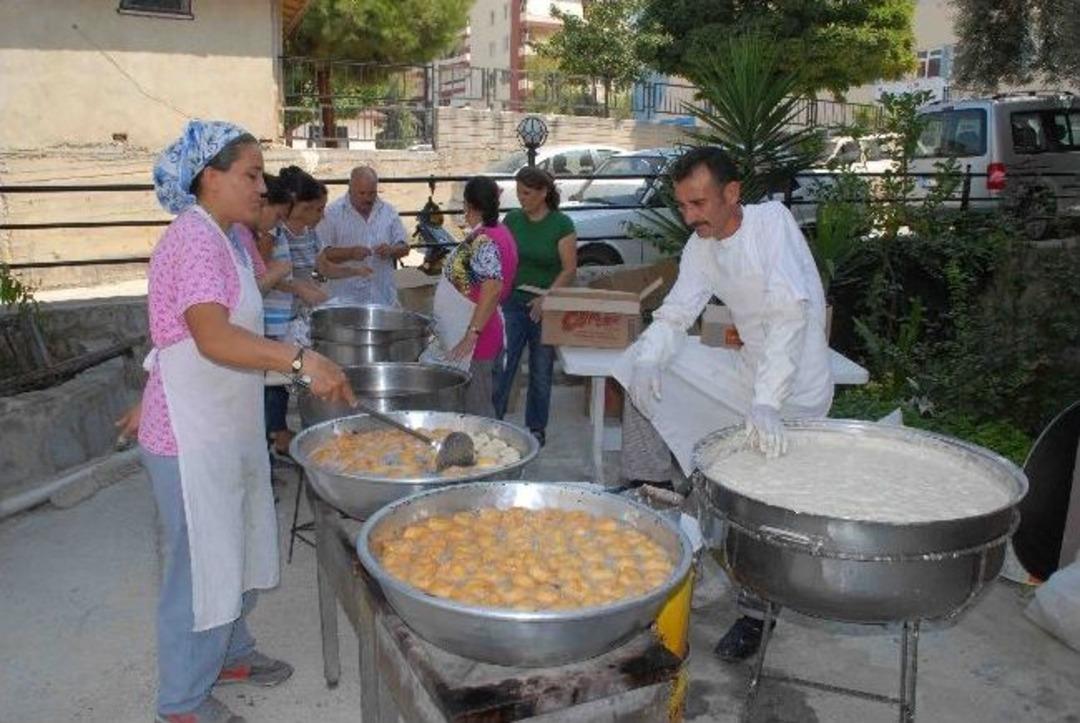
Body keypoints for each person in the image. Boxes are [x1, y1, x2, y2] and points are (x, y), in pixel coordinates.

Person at [141, 120, 353, 723]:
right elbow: (210, 336)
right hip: (188, 435)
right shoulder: (192, 240)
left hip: (223, 421)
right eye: (252, 174)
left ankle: (229, 651)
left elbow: (190, 333)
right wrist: (300, 361)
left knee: (232, 540)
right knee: (200, 561)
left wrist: (295, 370)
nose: (263, 188)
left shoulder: (229, 236)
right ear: (210, 177)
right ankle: (182, 700)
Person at [613, 146, 832, 662]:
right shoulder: (702, 246)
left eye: (699, 203)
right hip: (748, 378)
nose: (690, 217)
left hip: (794, 395)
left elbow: (788, 316)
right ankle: (652, 487)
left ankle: (757, 616)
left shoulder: (770, 224)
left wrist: (768, 404)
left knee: (758, 505)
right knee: (636, 362)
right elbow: (675, 314)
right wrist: (650, 359)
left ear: (732, 194)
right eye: (683, 206)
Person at [492, 167, 577, 447]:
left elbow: (569, 269)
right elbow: (501, 257)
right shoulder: (512, 220)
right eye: (518, 193)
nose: (521, 198)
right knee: (504, 365)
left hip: (546, 304)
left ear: (543, 193)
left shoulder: (562, 224)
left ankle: (536, 428)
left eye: (527, 193)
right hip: (512, 303)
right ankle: (494, 420)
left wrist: (547, 298)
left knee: (541, 369)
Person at [259, 167, 332, 458]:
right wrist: (297, 287)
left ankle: (275, 434)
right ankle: (274, 436)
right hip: (271, 320)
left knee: (277, 381)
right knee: (273, 383)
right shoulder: (267, 234)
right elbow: (260, 281)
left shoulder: (276, 230)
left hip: (283, 317)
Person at [439, 176, 519, 416]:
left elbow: (492, 288)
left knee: (478, 412)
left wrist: (471, 335)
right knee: (479, 406)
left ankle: (486, 453)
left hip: (479, 338)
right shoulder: (499, 231)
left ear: (468, 205)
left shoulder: (485, 238)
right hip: (483, 330)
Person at [315, 165, 409, 305]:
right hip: (345, 300)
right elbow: (322, 254)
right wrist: (350, 253)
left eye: (372, 193)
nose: (367, 198)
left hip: (382, 297)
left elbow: (405, 247)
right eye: (362, 193)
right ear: (350, 189)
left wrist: (391, 250)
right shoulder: (331, 213)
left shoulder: (388, 211)